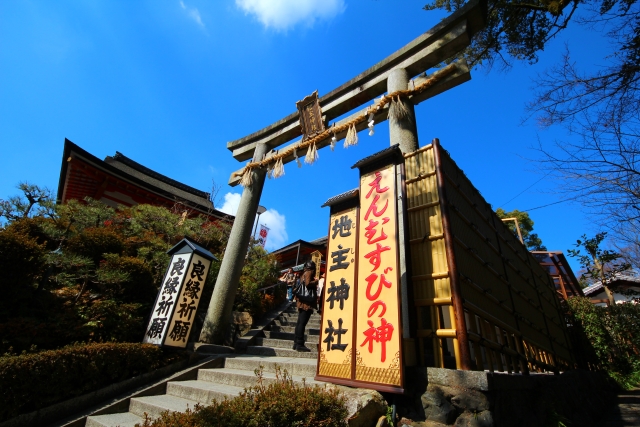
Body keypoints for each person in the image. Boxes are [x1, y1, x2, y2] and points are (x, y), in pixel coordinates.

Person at [293, 260, 318, 352]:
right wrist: (316, 282)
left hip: (302, 301)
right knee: (302, 323)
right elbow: (307, 284)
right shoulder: (309, 272)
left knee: (299, 323)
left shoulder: (303, 273)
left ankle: (296, 343)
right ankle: (300, 343)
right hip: (306, 303)